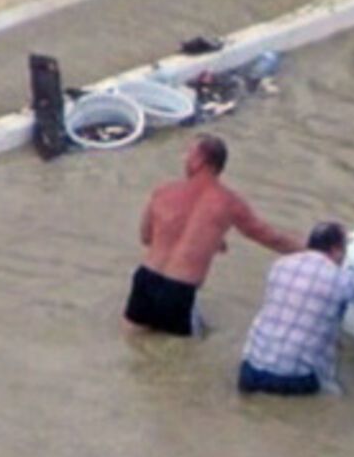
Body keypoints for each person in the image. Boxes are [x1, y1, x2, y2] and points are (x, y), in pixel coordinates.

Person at [124, 135, 303, 336]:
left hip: (145, 280)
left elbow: (146, 237)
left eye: (188, 153)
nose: (184, 159)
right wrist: (310, 250)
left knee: (136, 341)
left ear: (200, 159)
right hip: (179, 290)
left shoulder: (163, 192)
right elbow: (271, 238)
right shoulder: (229, 203)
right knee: (183, 355)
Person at [239, 222, 354, 395]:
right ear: (336, 249)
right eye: (345, 249)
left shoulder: (280, 265)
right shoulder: (344, 279)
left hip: (250, 368)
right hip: (294, 377)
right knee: (339, 397)